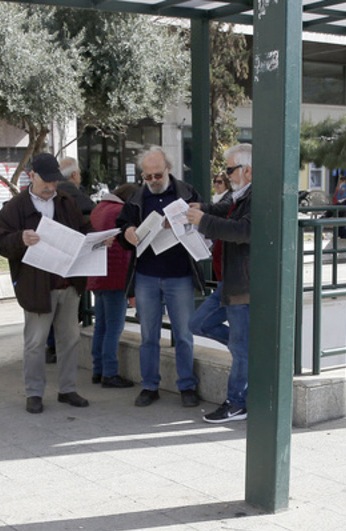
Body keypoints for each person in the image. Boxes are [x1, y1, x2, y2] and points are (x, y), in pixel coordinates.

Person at [0, 152, 91, 415]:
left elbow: (82, 230)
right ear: (31, 176)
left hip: (68, 283)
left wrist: (96, 240)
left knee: (69, 339)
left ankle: (67, 389)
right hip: (36, 286)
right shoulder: (16, 206)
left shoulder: (66, 201)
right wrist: (20, 239)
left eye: (55, 182)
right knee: (35, 342)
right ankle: (34, 392)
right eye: (46, 181)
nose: (51, 187)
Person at [116, 146, 203, 409]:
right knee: (148, 335)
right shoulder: (135, 197)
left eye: (157, 175)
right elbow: (122, 229)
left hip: (180, 274)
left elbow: (205, 222)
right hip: (146, 275)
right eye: (148, 177)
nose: (153, 181)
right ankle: (149, 386)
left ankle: (187, 385)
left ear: (168, 170)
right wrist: (128, 232)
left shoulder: (188, 193)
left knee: (184, 334)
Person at [186, 144, 252, 424]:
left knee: (241, 348)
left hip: (244, 282)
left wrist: (204, 221)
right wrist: (202, 209)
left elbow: (244, 230)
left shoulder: (257, 196)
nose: (226, 176)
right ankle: (250, 353)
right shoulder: (240, 195)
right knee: (198, 324)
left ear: (247, 171)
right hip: (231, 281)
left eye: (229, 170)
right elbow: (223, 208)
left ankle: (237, 403)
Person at [87, 183, 137, 390]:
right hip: (116, 275)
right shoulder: (121, 211)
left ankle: (98, 369)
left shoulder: (100, 207)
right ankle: (110, 373)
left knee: (101, 325)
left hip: (97, 274)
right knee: (114, 328)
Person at [57, 156, 95, 223]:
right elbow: (93, 209)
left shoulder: (51, 192)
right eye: (79, 173)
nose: (80, 177)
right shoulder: (74, 194)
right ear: (74, 175)